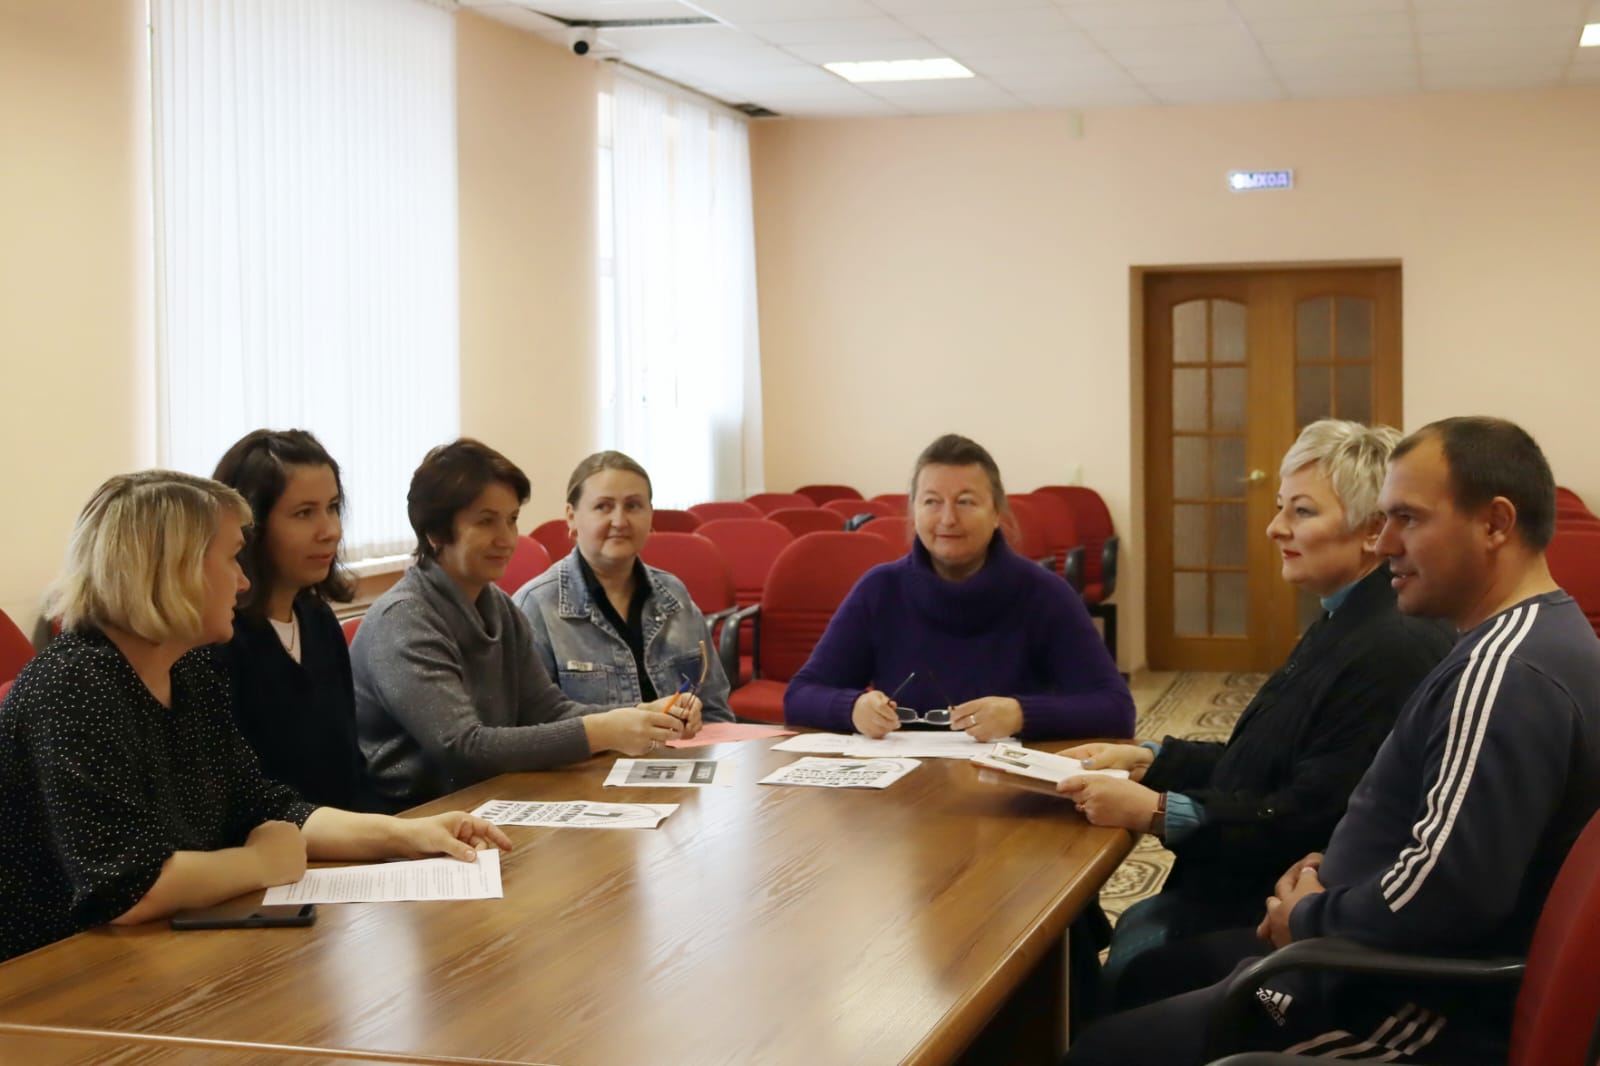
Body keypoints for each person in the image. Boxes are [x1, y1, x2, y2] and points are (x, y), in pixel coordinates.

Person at [1063, 416, 1600, 1065]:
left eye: (1409, 518)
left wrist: (1312, 916)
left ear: (1494, 524)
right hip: (1359, 955)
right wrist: (1324, 864)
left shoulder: (1505, 672)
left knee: (1106, 1051)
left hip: (1405, 1006)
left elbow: (1445, 895)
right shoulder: (1522, 641)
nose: (1388, 541)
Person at [0, 471, 511, 963]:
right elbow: (129, 888)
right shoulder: (73, 685)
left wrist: (407, 835)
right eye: (231, 560)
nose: (243, 582)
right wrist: (261, 862)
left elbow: (263, 807)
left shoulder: (191, 669)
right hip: (47, 970)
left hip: (153, 950)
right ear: (173, 570)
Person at [1057, 421, 1454, 1009]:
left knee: (1119, 965)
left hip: (1282, 911)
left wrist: (1160, 811)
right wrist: (1152, 759)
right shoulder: (1346, 617)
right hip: (1248, 881)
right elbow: (1266, 757)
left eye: (1301, 511)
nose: (1274, 528)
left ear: (1373, 531)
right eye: (1279, 508)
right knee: (1089, 940)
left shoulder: (1389, 645)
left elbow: (1310, 815)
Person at [352, 439, 702, 810]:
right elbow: (463, 747)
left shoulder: (497, 605)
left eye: (512, 519)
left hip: (487, 803)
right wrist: (602, 731)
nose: (506, 539)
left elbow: (548, 710)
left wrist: (637, 716)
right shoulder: (405, 618)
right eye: (486, 521)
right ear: (435, 533)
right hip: (413, 820)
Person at [784, 433, 1133, 740]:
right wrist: (852, 708)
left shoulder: (1046, 595)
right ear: (914, 511)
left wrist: (1021, 714)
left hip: (1010, 793)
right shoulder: (880, 589)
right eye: (932, 502)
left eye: (966, 501)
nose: (948, 519)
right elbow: (800, 696)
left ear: (996, 512)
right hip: (902, 794)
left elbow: (1116, 710)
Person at [211, 429, 376, 810]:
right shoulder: (217, 638)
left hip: (348, 845)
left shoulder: (318, 619)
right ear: (250, 527)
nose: (330, 531)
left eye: (333, 507)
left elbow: (351, 771)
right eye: (304, 513)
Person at [513, 451, 734, 723]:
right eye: (603, 507)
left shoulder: (674, 595)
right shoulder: (535, 607)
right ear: (571, 516)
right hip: (588, 765)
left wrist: (700, 728)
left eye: (633, 506)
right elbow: (531, 728)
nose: (619, 521)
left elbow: (715, 710)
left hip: (681, 760)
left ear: (650, 514)